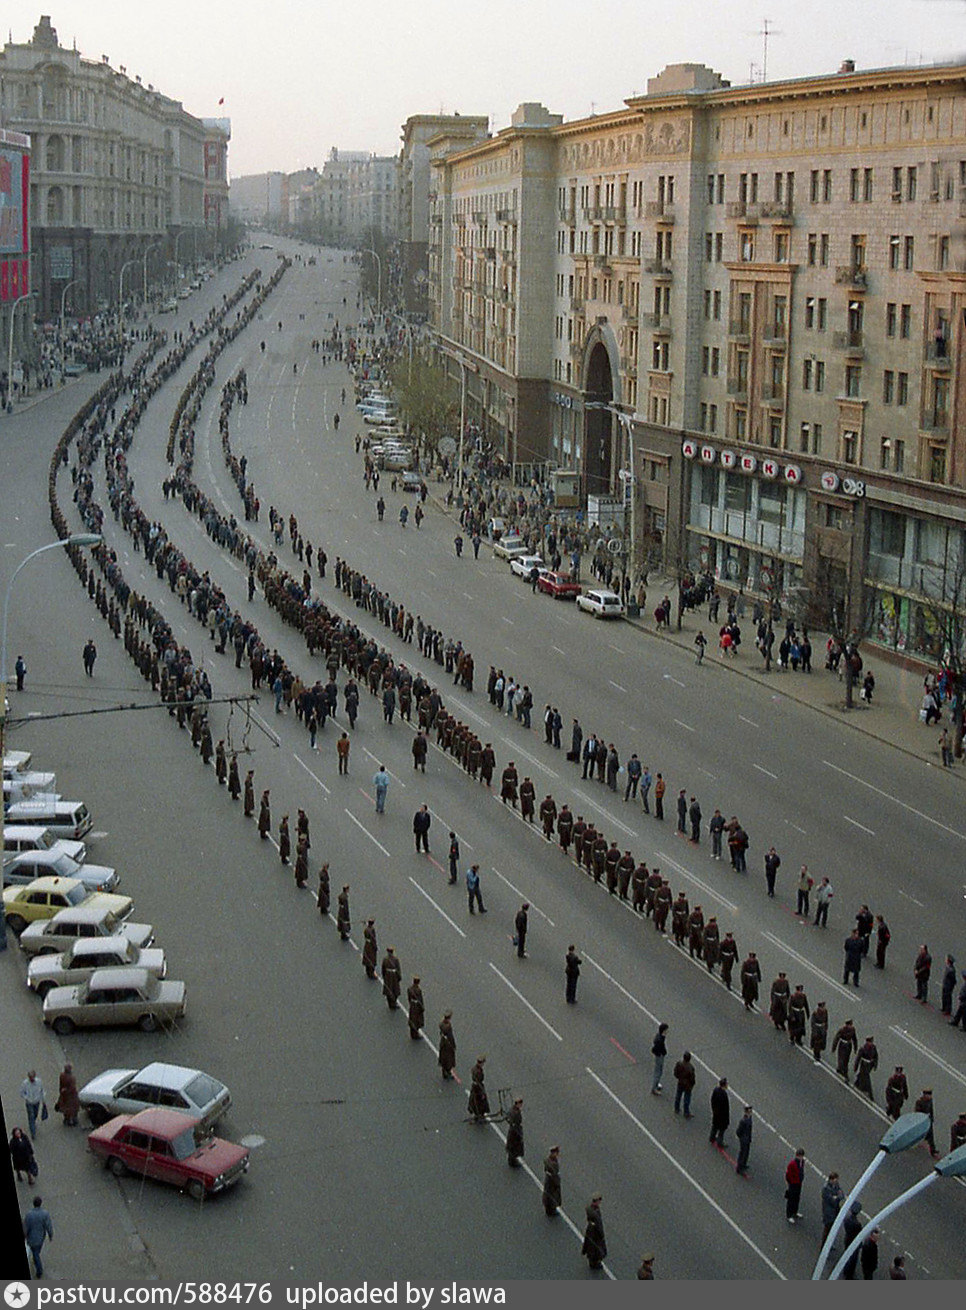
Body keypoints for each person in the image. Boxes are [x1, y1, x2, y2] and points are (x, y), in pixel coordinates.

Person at [23, 1196, 53, 1278]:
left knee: (35, 1253)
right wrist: (50, 1235)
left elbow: (26, 1227)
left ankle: (39, 1268)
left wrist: (25, 1236)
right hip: (40, 1237)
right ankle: (38, 1265)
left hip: (31, 1238)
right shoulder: (45, 1214)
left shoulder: (29, 1214)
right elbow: (48, 1225)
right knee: (37, 1251)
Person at [582, 1195, 607, 1271]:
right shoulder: (595, 1214)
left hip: (590, 1229)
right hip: (595, 1232)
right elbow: (599, 1225)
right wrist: (602, 1235)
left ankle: (592, 1260)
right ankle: (594, 1262)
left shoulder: (589, 1209)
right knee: (596, 1247)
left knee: (590, 1245)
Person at [841, 1201, 864, 1279]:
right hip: (853, 1241)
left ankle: (845, 1269)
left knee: (846, 1255)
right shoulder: (857, 1224)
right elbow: (859, 1233)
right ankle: (849, 1274)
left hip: (847, 1238)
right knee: (853, 1259)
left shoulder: (847, 1219)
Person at [821, 1172, 845, 1244]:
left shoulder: (836, 1185)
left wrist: (836, 1197)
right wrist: (837, 1197)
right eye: (835, 1180)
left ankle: (830, 1243)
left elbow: (842, 1195)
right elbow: (831, 1200)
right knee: (827, 1229)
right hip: (828, 1212)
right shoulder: (826, 1188)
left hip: (835, 1210)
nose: (836, 1182)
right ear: (831, 1180)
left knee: (833, 1229)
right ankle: (824, 1245)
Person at [21, 1071, 45, 1140]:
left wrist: (43, 1099)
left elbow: (42, 1090)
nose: (32, 1079)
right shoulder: (25, 1083)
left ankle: (33, 1123)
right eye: (30, 1078)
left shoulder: (39, 1082)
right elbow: (22, 1093)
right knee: (31, 1116)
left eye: (32, 1077)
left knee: (35, 1114)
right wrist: (27, 1098)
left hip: (37, 1102)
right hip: (29, 1103)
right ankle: (33, 1132)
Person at [784, 1147, 806, 1223]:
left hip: (799, 1183)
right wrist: (791, 1182)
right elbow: (788, 1174)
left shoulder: (802, 1162)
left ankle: (795, 1212)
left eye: (802, 1156)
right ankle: (789, 1215)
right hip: (793, 1184)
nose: (801, 1157)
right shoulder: (792, 1164)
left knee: (797, 1198)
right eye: (800, 1156)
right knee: (791, 1199)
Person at [55, 1063, 79, 1127]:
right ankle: (74, 1120)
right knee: (73, 1108)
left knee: (65, 1108)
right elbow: (72, 1088)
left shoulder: (62, 1075)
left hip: (64, 1095)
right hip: (71, 1096)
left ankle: (66, 1119)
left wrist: (61, 1091)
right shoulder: (72, 1078)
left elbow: (60, 1084)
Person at [673, 1051, 695, 1117]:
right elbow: (692, 1078)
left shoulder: (679, 1064)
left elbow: (675, 1073)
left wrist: (679, 1078)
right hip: (687, 1085)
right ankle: (686, 1112)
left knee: (678, 1095)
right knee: (687, 1098)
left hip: (680, 1082)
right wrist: (692, 1084)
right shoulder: (690, 1068)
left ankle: (676, 1108)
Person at [709, 1076, 730, 1147]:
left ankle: (712, 1138)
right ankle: (720, 1142)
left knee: (714, 1126)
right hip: (722, 1117)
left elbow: (712, 1100)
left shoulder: (716, 1090)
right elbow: (725, 1108)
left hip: (716, 1114)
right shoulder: (724, 1095)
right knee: (721, 1130)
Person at [468, 1057, 490, 1122]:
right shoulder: (478, 1071)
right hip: (478, 1087)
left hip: (474, 1087)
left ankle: (477, 1114)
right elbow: (479, 1081)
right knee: (481, 1101)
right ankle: (480, 1115)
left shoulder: (474, 1069)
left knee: (475, 1101)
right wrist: (482, 1092)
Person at [542, 1145, 562, 1217]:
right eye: (556, 1153)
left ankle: (549, 1208)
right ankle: (551, 1210)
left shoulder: (548, 1160)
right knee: (552, 1195)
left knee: (548, 1194)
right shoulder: (552, 1163)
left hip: (549, 1180)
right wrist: (557, 1182)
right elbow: (554, 1173)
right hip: (552, 1181)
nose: (557, 1155)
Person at [505, 1097, 525, 1167]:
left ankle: (512, 1160)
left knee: (512, 1146)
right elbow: (515, 1121)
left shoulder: (512, 1109)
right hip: (515, 1131)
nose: (521, 1105)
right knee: (514, 1146)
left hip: (513, 1129)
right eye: (520, 1104)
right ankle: (513, 1161)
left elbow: (507, 1116)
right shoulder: (515, 1112)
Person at [651, 1022, 668, 1095]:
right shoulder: (660, 1039)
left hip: (659, 1055)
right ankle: (654, 1088)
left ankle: (656, 1084)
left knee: (659, 1071)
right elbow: (659, 1047)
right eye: (666, 1030)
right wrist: (662, 1053)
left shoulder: (660, 1036)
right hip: (659, 1056)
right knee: (658, 1072)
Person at [735, 1105, 753, 1175]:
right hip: (744, 1139)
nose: (751, 1112)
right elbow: (739, 1130)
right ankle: (739, 1167)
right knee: (743, 1153)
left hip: (747, 1139)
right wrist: (740, 1137)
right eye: (749, 1111)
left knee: (746, 1152)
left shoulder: (749, 1118)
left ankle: (743, 1164)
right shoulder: (744, 1120)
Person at [438, 1012, 456, 1080]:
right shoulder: (448, 1027)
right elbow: (451, 1037)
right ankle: (447, 1072)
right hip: (448, 1044)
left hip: (443, 1043)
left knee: (443, 1057)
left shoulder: (441, 1025)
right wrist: (453, 1045)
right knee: (448, 1058)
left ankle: (444, 1071)